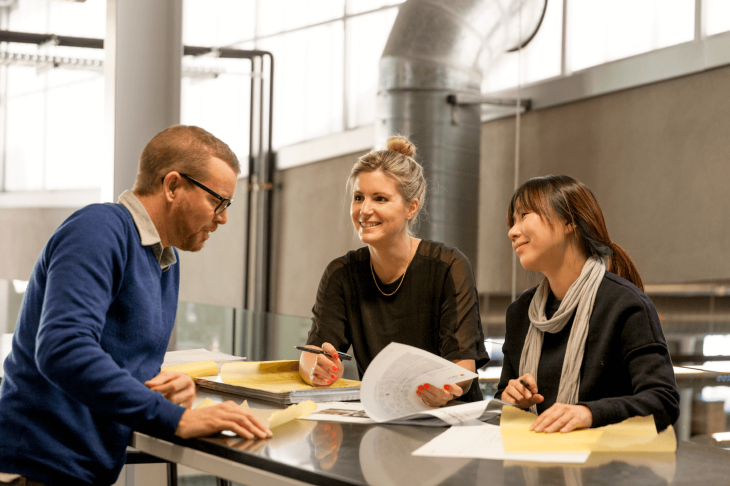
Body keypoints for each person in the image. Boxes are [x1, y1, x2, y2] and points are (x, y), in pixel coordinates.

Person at [0, 125, 271, 486]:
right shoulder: (98, 229)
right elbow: (63, 349)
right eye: (217, 201)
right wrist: (177, 418)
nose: (222, 218)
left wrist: (163, 389)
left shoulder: (164, 262)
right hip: (34, 470)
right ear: (173, 186)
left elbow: (108, 367)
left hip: (79, 472)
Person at [299, 136, 489, 406]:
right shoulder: (341, 274)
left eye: (380, 198)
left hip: (448, 420)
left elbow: (463, 366)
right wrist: (317, 368)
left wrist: (446, 385)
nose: (364, 210)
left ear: (411, 207)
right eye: (358, 197)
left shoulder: (449, 265)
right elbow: (312, 352)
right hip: (382, 417)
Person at [496, 175, 679, 433]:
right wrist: (512, 398)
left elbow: (663, 403)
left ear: (570, 221)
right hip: (536, 463)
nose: (512, 231)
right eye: (511, 222)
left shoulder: (625, 304)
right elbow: (502, 398)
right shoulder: (519, 313)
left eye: (524, 215)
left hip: (609, 467)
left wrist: (588, 414)